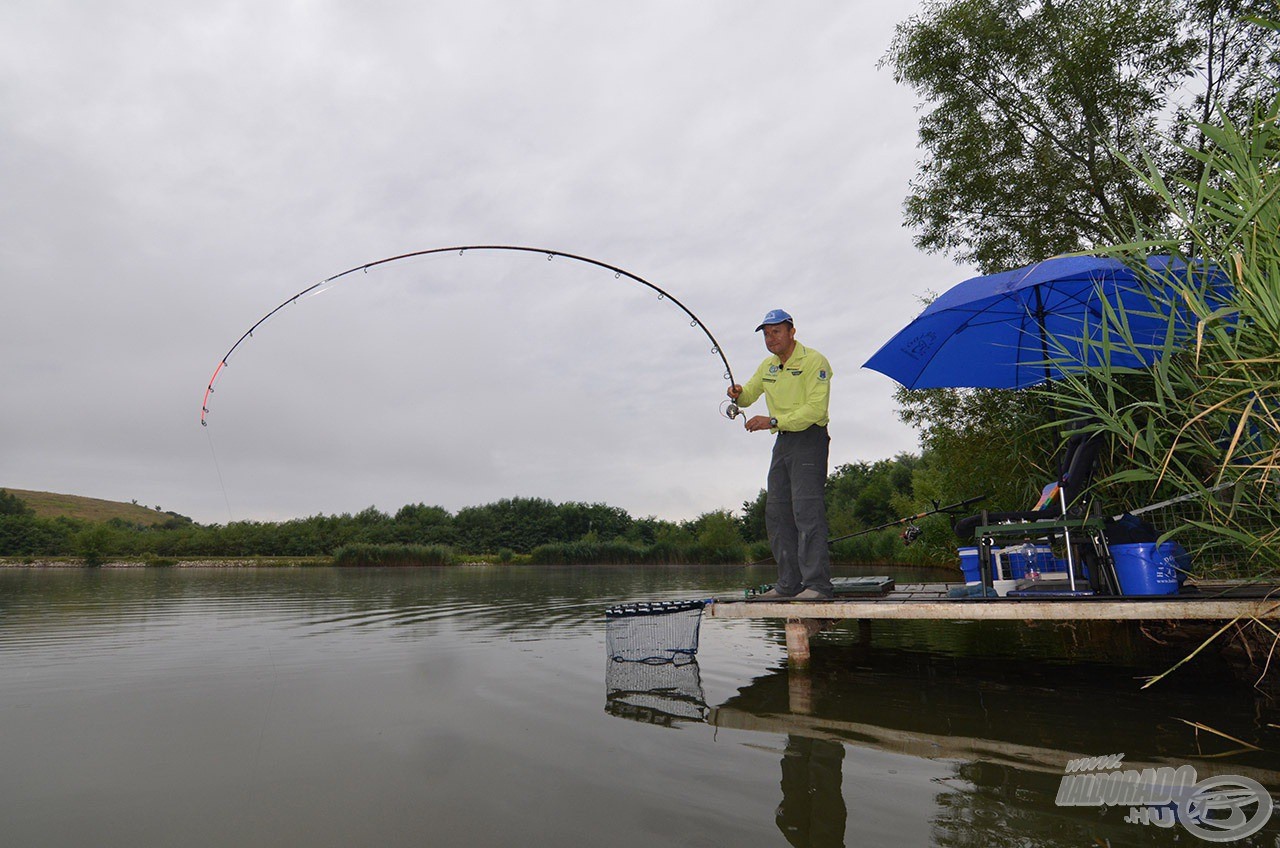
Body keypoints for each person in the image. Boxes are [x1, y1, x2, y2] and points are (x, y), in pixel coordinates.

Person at [728, 309, 834, 600]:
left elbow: (816, 410)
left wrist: (772, 422)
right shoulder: (768, 366)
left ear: (792, 331)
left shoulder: (814, 361)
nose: (770, 338)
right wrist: (737, 392)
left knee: (806, 510)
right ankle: (789, 584)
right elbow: (748, 394)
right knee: (776, 512)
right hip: (783, 443)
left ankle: (818, 586)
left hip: (809, 438)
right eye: (765, 333)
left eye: (776, 331)